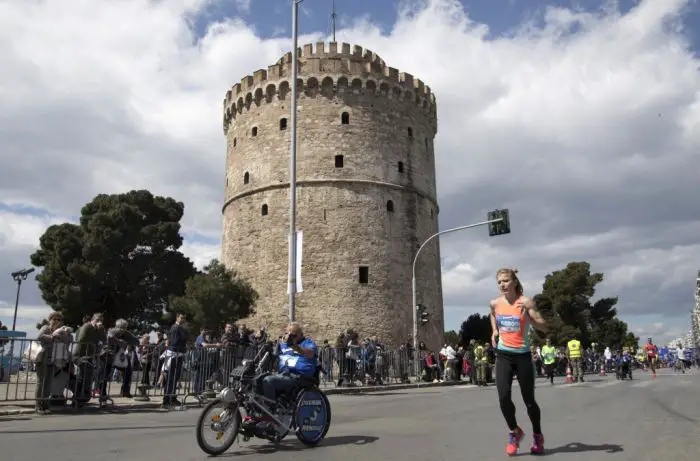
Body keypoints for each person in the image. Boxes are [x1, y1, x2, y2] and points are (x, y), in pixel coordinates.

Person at [490, 268, 548, 456]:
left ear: (514, 281)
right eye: (499, 282)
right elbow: (492, 315)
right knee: (503, 398)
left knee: (529, 400)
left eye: (505, 281)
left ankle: (538, 436)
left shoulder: (525, 302)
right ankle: (515, 432)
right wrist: (494, 331)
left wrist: (530, 319)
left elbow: (543, 326)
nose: (502, 285)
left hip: (522, 355)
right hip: (503, 355)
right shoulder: (495, 303)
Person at [246, 322, 318, 428]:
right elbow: (275, 359)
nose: (288, 336)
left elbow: (310, 353)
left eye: (292, 334)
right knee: (257, 380)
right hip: (283, 374)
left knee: (269, 381)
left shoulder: (307, 342)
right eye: (287, 333)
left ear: (299, 334)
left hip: (298, 377)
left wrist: (294, 346)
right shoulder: (283, 344)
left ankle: (270, 416)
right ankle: (256, 415)